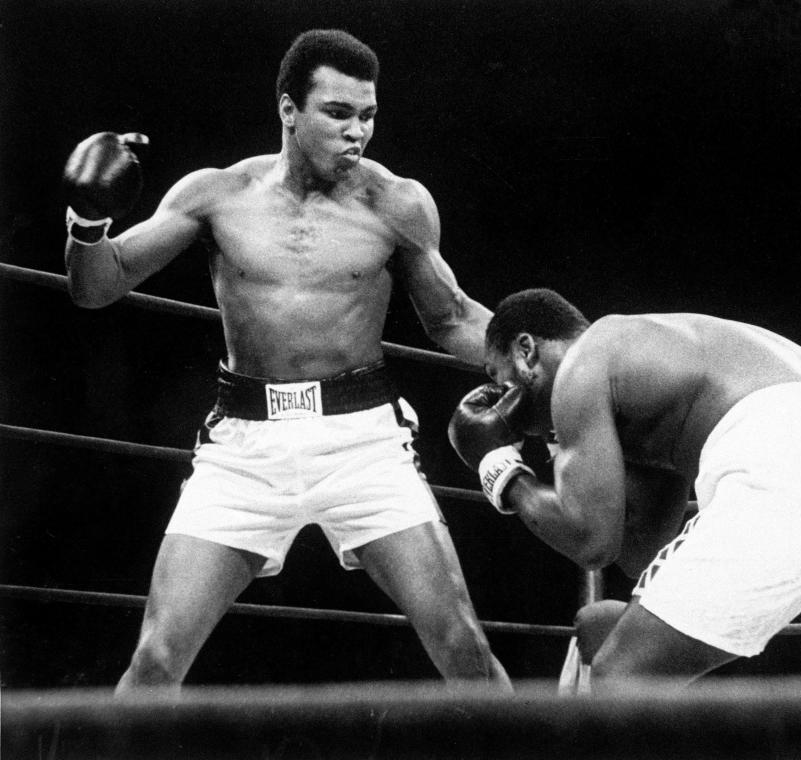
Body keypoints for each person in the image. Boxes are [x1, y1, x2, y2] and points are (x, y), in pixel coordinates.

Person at [63, 29, 510, 692]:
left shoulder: (397, 203)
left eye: (367, 116)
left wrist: (557, 366)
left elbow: (453, 317)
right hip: (245, 448)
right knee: (155, 663)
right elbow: (97, 286)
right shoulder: (217, 195)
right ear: (288, 110)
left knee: (463, 645)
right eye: (337, 114)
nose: (356, 133)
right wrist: (86, 220)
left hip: (362, 441)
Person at [448, 287, 801, 687]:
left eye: (499, 378)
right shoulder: (653, 367)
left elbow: (590, 541)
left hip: (788, 459)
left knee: (622, 678)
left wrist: (497, 466)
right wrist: (632, 619)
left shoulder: (586, 359)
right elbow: (640, 553)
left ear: (526, 351)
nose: (507, 406)